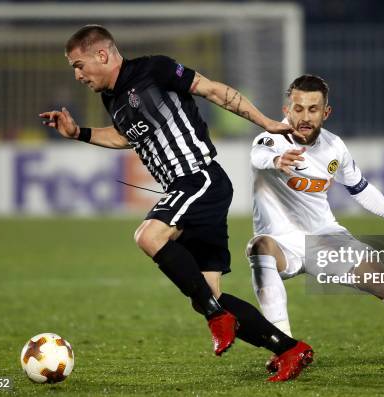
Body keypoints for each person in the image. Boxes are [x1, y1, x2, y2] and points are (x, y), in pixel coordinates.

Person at [39, 25, 312, 382]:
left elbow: (214, 90)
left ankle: (218, 317)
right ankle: (290, 349)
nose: (77, 75)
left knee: (148, 237)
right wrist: (80, 134)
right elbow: (125, 136)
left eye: (78, 65)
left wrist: (266, 123)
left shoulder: (155, 69)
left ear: (101, 55)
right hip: (195, 188)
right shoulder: (112, 98)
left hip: (199, 178)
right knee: (207, 294)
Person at [247, 74, 384, 373]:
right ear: (286, 109)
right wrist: (277, 161)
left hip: (325, 238)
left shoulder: (334, 147)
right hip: (281, 242)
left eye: (313, 109)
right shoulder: (271, 138)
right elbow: (259, 154)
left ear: (325, 112)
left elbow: (359, 187)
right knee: (258, 247)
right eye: (298, 108)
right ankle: (287, 349)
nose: (304, 116)